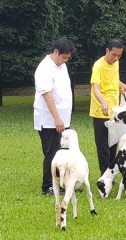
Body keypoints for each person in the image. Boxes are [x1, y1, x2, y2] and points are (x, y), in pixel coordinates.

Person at [34, 38, 76, 195]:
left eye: (68, 58)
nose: (65, 60)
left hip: (63, 118)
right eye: (63, 57)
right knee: (52, 152)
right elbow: (47, 95)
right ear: (55, 52)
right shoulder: (44, 68)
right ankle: (48, 186)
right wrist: (57, 118)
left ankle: (63, 183)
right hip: (49, 119)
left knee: (64, 151)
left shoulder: (62, 66)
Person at [90, 39, 126, 176]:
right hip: (100, 111)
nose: (116, 58)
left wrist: (121, 85)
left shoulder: (116, 63)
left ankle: (111, 174)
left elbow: (113, 80)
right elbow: (96, 88)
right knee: (103, 146)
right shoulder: (98, 66)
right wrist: (103, 102)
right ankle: (104, 177)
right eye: (114, 55)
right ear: (107, 50)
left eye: (119, 55)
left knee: (113, 144)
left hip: (114, 110)